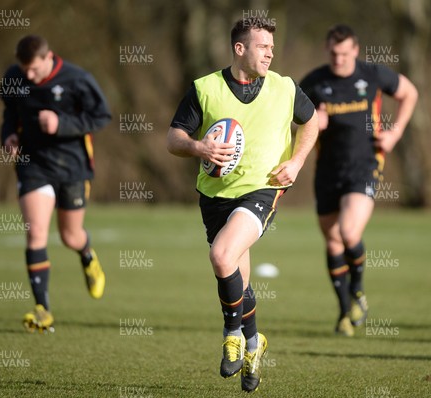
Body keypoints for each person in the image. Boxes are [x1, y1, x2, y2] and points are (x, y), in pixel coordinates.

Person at [167, 18, 318, 392]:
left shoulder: (284, 88)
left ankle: (232, 333)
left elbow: (313, 122)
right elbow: (173, 138)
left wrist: (296, 162)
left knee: (221, 256)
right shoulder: (206, 88)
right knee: (240, 279)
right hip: (215, 195)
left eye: (272, 46)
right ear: (240, 49)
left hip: (262, 191)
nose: (270, 52)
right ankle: (254, 344)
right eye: (262, 46)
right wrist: (199, 147)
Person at [299, 25, 418, 337]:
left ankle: (359, 291)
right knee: (333, 241)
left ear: (355, 50)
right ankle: (343, 312)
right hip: (326, 170)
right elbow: (291, 122)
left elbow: (410, 93)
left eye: (344, 53)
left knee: (348, 231)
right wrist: (313, 123)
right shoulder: (314, 82)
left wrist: (396, 132)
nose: (338, 59)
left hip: (364, 165)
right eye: (333, 53)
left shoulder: (374, 75)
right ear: (328, 51)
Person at [0, 35, 111, 333]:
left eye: (34, 70)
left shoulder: (77, 79)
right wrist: (8, 135)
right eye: (24, 69)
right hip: (32, 164)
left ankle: (87, 256)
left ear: (49, 57)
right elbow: (10, 112)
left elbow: (102, 116)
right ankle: (43, 310)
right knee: (36, 233)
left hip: (73, 167)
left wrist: (62, 124)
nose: (29, 76)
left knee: (70, 236)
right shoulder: (14, 77)